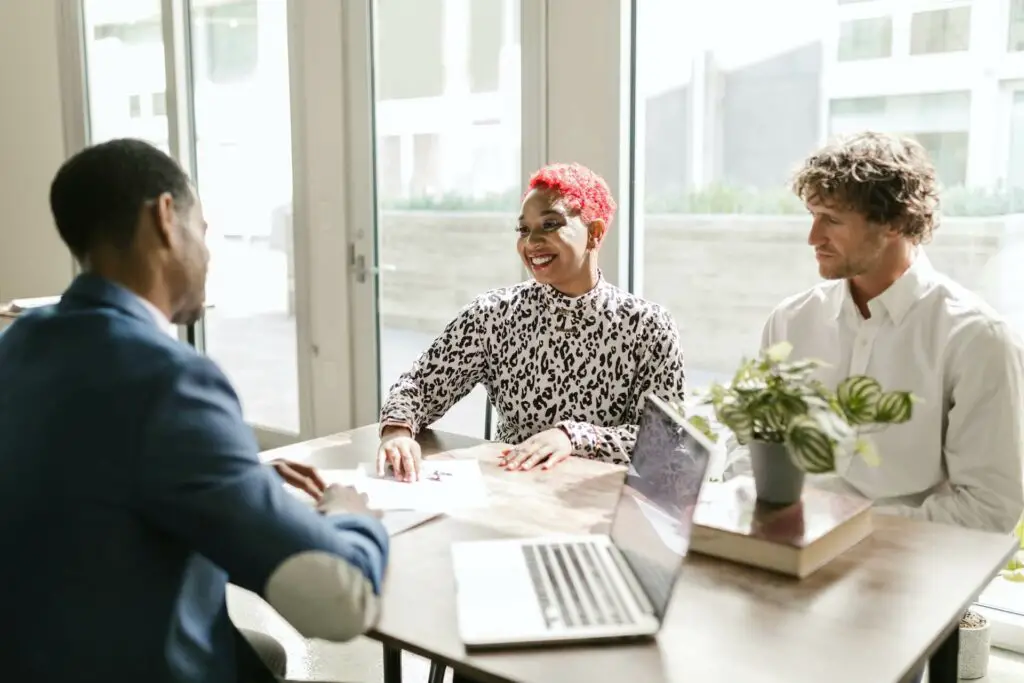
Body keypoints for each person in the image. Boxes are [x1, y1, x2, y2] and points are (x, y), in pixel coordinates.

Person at [0, 138, 388, 683]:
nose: (207, 255)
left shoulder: (18, 344)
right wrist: (352, 516)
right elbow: (338, 600)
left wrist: (228, 476)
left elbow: (86, 468)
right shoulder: (168, 378)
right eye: (202, 231)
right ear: (164, 218)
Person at [725, 131, 1024, 535]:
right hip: (783, 554)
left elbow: (989, 509)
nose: (813, 238)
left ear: (895, 222)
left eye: (831, 219)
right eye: (812, 216)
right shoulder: (792, 320)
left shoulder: (975, 339)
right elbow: (747, 445)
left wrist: (840, 529)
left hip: (906, 575)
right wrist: (759, 507)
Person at [377, 162, 687, 481]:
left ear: (594, 234)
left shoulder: (649, 326)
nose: (531, 242)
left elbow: (664, 443)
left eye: (550, 225)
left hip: (598, 505)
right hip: (511, 493)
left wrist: (572, 437)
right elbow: (420, 385)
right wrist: (397, 430)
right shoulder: (492, 314)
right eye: (524, 229)